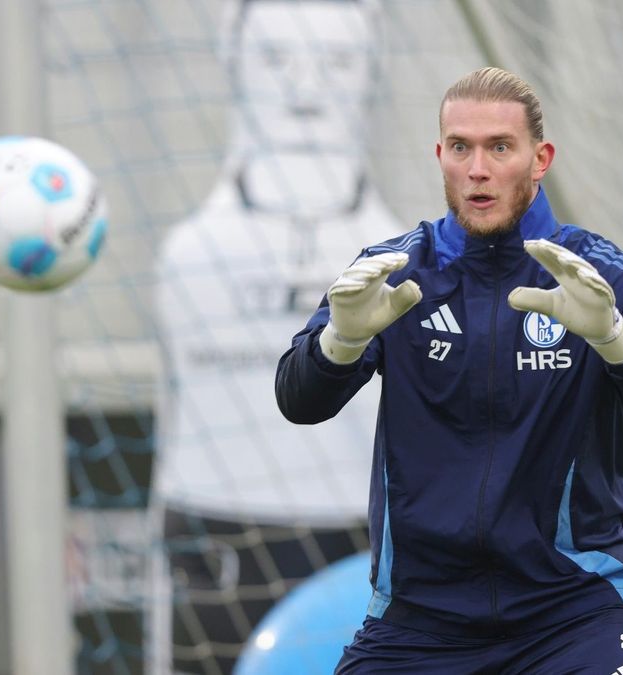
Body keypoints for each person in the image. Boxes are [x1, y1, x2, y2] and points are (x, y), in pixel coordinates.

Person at [275, 66, 623, 674]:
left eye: (499, 148)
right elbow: (298, 400)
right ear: (440, 155)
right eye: (461, 147)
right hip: (419, 624)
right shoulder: (393, 270)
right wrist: (341, 339)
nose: (477, 169)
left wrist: (615, 338)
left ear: (541, 159)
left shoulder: (602, 275)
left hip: (576, 614)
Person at [149, 1, 403, 672]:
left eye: (337, 62)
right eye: (277, 59)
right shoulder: (190, 253)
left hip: (364, 528)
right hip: (218, 526)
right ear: (234, 60)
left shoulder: (411, 256)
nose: (305, 86)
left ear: (371, 69)